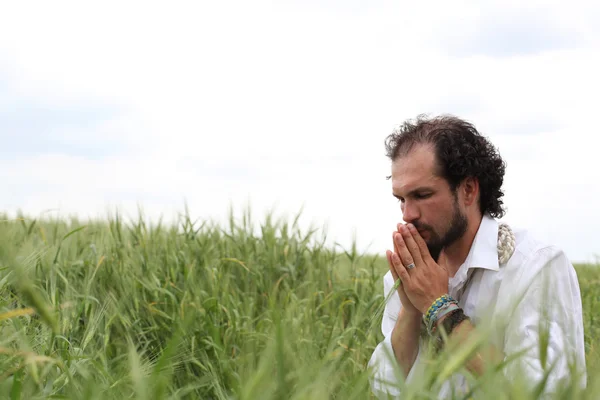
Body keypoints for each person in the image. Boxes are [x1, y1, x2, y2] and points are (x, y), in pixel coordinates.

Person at [367, 114, 586, 398]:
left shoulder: (536, 266)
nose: (408, 214)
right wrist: (411, 310)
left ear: (468, 190)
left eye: (422, 195)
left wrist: (438, 306)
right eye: (401, 199)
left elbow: (542, 392)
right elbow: (384, 390)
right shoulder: (414, 270)